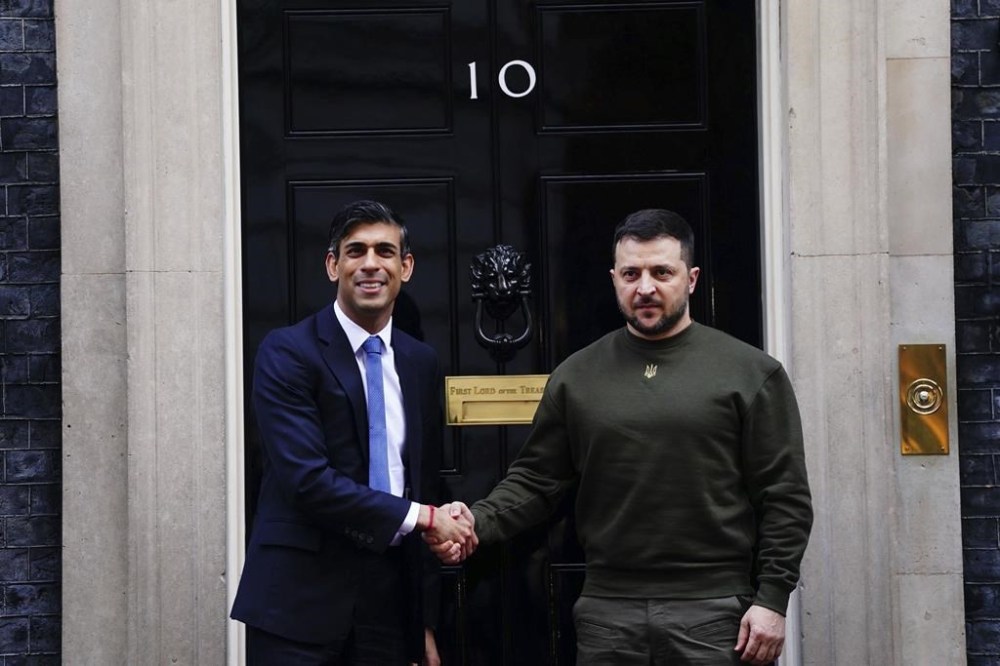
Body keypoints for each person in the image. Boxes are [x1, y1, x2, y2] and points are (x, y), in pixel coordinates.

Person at [432, 209, 812, 665]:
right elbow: (536, 481)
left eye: (662, 272)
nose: (645, 287)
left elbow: (785, 496)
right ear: (614, 278)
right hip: (607, 614)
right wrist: (475, 521)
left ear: (690, 279)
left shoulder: (751, 373)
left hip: (714, 614)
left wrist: (772, 599)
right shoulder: (577, 376)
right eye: (631, 273)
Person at [232, 200, 473, 665]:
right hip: (298, 605)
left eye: (385, 251)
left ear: (405, 267)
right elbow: (308, 480)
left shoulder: (420, 361)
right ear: (332, 265)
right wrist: (426, 518)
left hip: (388, 608)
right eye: (355, 250)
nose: (370, 264)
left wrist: (421, 619)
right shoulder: (287, 352)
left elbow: (418, 482)